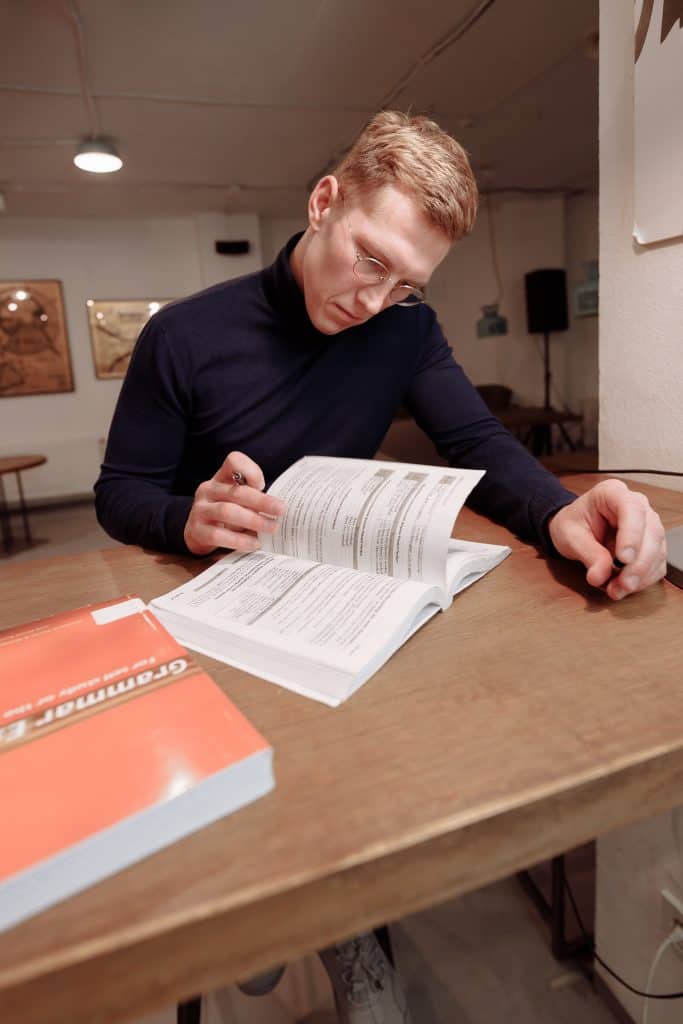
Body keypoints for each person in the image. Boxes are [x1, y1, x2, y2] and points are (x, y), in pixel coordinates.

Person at [95, 111, 666, 1022]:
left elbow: (476, 438)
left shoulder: (403, 329)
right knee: (242, 813)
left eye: (406, 283)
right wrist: (186, 517)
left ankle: (340, 927)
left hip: (329, 594)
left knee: (342, 786)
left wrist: (564, 510)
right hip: (208, 603)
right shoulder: (187, 336)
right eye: (369, 259)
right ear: (324, 203)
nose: (373, 301)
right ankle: (255, 920)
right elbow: (118, 492)